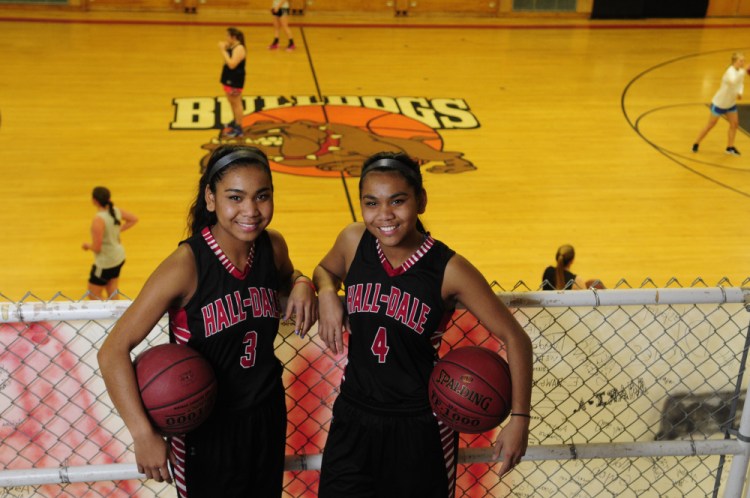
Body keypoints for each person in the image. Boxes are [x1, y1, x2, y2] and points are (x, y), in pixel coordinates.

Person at [97, 145, 317, 497]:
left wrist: (303, 283)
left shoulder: (272, 247)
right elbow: (112, 352)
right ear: (211, 199)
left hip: (266, 414)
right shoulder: (186, 265)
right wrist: (143, 433)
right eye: (236, 197)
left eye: (262, 196)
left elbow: (288, 278)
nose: (251, 210)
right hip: (205, 429)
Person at [313, 152, 533, 498]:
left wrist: (519, 418)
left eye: (397, 201)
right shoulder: (354, 241)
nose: (384, 215)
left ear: (421, 201)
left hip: (420, 424)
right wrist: (326, 290)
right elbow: (325, 270)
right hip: (354, 415)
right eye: (372, 203)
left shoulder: (448, 269)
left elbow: (515, 337)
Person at [82, 186, 138, 300]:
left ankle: (107, 312)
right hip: (119, 257)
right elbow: (134, 219)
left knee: (93, 295)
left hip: (106, 263)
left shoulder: (98, 220)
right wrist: (117, 230)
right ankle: (116, 315)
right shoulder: (115, 211)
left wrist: (87, 246)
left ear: (94, 201)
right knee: (112, 288)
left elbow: (97, 248)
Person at [692, 52, 746, 156]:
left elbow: (740, 84)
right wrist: (743, 72)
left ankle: (729, 147)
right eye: (741, 61)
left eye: (744, 61)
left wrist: (740, 92)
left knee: (734, 124)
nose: (743, 63)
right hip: (720, 104)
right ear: (734, 61)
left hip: (730, 104)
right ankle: (696, 143)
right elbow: (733, 81)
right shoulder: (729, 72)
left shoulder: (739, 72)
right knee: (710, 125)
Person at [219, 27, 247, 138]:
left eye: (227, 36)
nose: (226, 38)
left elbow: (232, 64)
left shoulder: (239, 48)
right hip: (229, 77)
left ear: (233, 37)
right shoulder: (233, 46)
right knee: (231, 101)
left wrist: (223, 51)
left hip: (235, 79)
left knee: (236, 103)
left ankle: (239, 128)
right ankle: (235, 121)